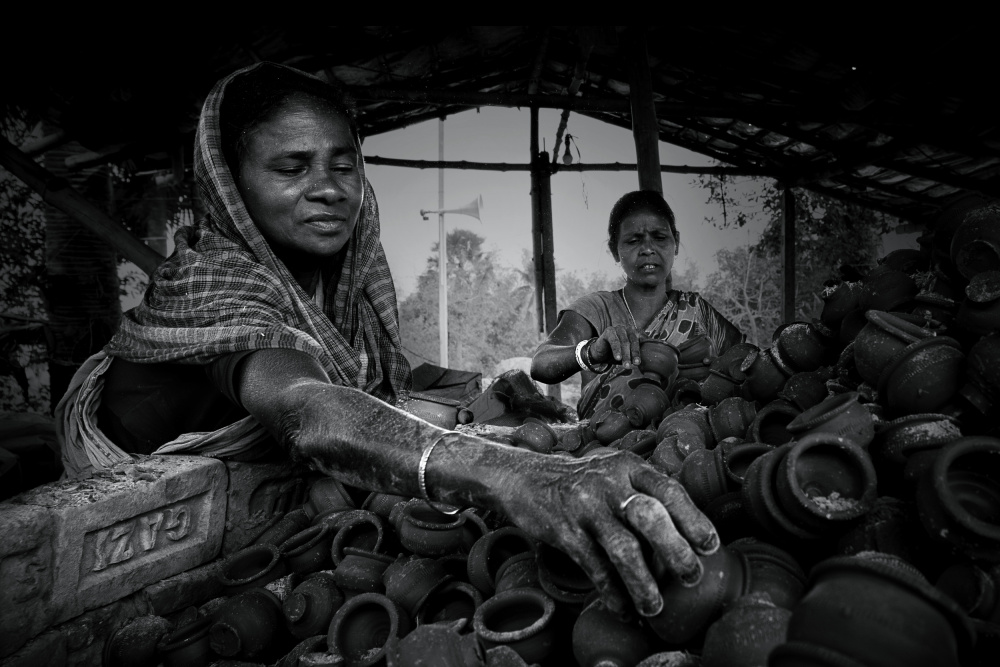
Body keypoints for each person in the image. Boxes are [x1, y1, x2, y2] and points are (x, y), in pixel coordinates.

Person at [56, 63, 719, 618]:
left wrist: (487, 390)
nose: (327, 189)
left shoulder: (335, 296)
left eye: (343, 165)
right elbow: (308, 406)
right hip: (143, 545)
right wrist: (513, 472)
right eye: (291, 167)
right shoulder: (216, 283)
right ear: (230, 181)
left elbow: (385, 380)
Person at [531, 190, 745, 418]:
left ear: (676, 243)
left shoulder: (697, 312)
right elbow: (541, 365)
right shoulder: (595, 309)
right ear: (615, 250)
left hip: (680, 445)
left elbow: (745, 365)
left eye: (660, 238)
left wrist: (710, 374)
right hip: (601, 448)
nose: (648, 249)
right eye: (633, 241)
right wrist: (593, 351)